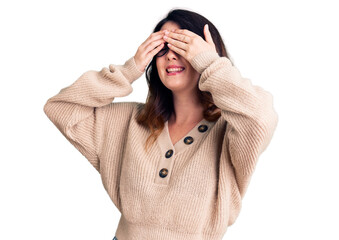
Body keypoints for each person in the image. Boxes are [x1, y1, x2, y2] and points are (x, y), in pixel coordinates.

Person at [43, 8, 279, 240]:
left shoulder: (231, 128)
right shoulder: (130, 121)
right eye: (162, 47)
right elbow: (61, 108)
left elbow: (259, 119)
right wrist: (128, 70)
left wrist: (210, 64)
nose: (171, 55)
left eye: (183, 45)